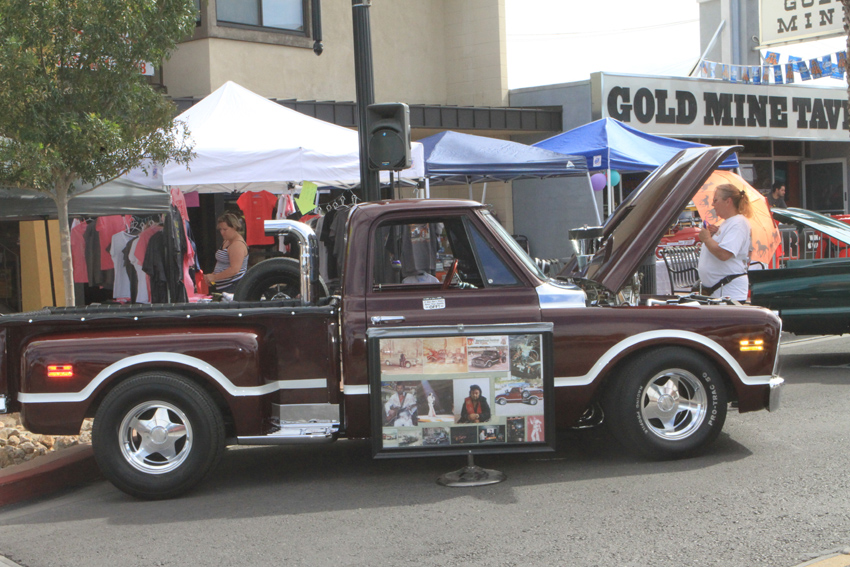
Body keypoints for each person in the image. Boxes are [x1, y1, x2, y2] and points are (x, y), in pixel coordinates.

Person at [698, 184, 753, 301]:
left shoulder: (739, 223)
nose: (713, 204)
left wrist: (707, 239)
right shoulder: (728, 223)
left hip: (729, 292)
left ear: (728, 201)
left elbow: (724, 254)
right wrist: (713, 235)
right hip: (719, 291)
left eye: (715, 200)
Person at [204, 213, 249, 292]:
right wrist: (212, 276)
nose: (222, 232)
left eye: (225, 229)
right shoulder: (227, 240)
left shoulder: (237, 245)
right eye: (220, 229)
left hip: (232, 286)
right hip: (224, 286)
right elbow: (223, 264)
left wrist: (214, 277)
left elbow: (235, 269)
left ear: (234, 227)